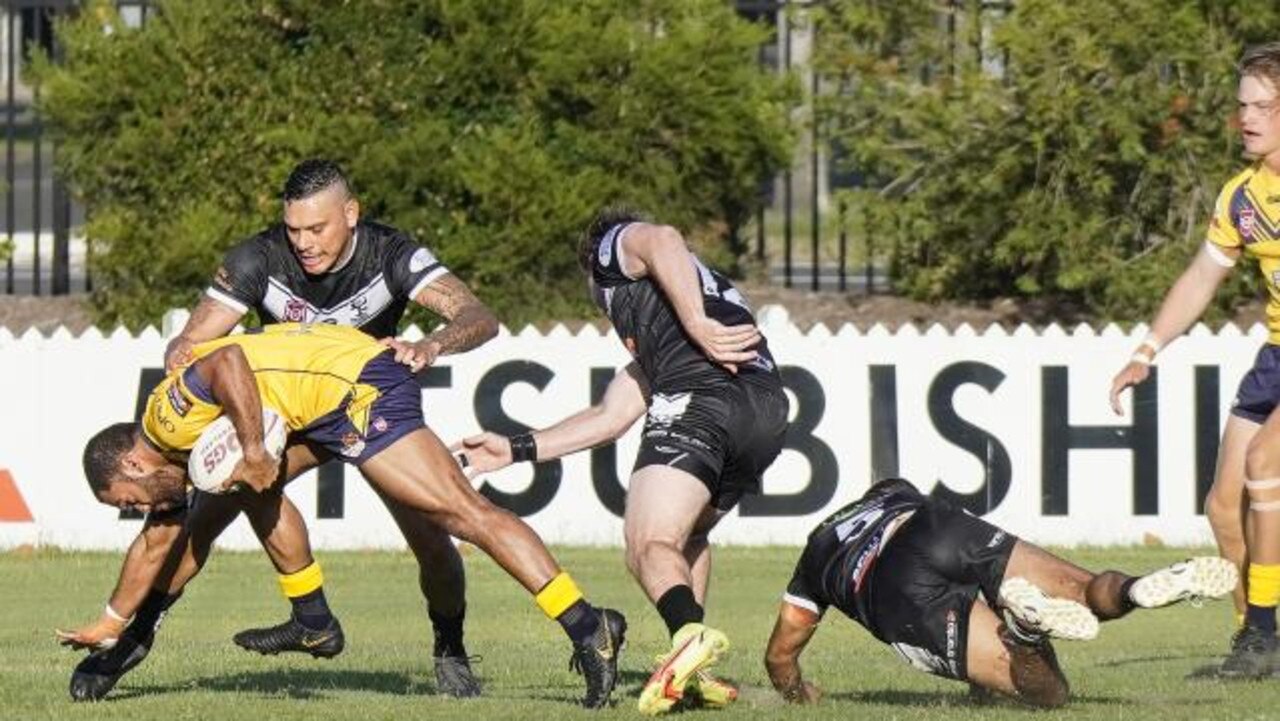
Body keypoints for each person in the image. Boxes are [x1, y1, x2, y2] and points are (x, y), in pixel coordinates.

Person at [58, 159, 498, 700]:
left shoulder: (392, 253)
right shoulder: (257, 259)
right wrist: (183, 351)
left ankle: (449, 647)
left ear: (350, 215)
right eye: (294, 230)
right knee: (205, 516)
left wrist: (433, 344)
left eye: (317, 229)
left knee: (431, 536)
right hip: (290, 417)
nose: (305, 243)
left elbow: (476, 315)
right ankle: (134, 641)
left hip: (366, 404)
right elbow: (194, 343)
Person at [81, 322, 627, 708]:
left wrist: (253, 449)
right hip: (322, 394)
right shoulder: (176, 452)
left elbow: (227, 360)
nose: (141, 510)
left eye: (128, 500)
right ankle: (312, 621)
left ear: (131, 462)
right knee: (238, 493)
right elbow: (161, 540)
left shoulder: (167, 423)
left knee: (464, 514)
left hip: (355, 388)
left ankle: (588, 626)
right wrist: (113, 622)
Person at [454, 208, 779, 715]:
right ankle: (693, 671)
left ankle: (690, 637)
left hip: (702, 397)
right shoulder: (673, 327)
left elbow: (665, 235)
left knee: (646, 544)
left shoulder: (613, 249)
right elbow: (610, 417)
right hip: (763, 411)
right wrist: (515, 449)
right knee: (687, 538)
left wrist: (695, 322)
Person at [1108, 42, 1280, 678]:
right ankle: (1255, 639)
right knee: (1222, 503)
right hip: (1277, 355)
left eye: (1264, 106)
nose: (1247, 118)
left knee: (1266, 465)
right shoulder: (1242, 197)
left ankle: (1265, 634)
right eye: (1242, 105)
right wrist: (1146, 351)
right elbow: (1201, 277)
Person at [764, 478, 1237, 708]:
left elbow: (779, 657)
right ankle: (1134, 589)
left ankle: (1025, 630)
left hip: (892, 583)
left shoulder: (813, 559)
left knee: (1050, 695)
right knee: (1084, 591)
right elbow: (962, 581)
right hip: (936, 525)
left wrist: (799, 694)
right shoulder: (892, 493)